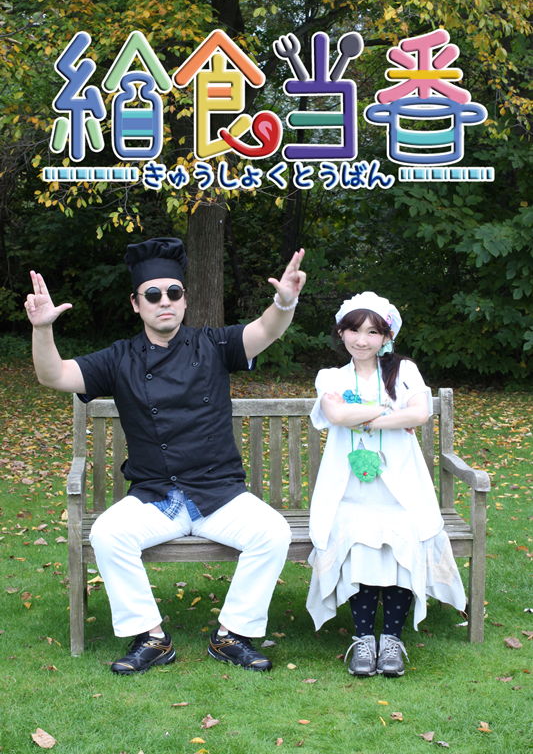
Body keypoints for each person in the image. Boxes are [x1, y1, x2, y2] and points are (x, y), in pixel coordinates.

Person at [25, 237, 306, 674]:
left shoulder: (214, 344)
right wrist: (43, 329)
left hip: (217, 493)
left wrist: (284, 303)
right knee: (107, 533)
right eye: (152, 295)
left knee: (272, 532)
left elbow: (265, 330)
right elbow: (54, 375)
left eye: (174, 292)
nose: (165, 302)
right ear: (136, 304)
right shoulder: (118, 358)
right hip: (158, 497)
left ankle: (232, 634)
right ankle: (152, 638)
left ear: (184, 299)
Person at [306, 292, 466, 678]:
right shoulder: (331, 377)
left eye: (372, 332)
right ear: (341, 332)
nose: (362, 340)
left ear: (386, 336)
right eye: (354, 330)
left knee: (404, 536)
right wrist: (391, 410)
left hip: (401, 490)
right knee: (357, 538)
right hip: (348, 492)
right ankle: (364, 640)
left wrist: (361, 416)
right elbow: (335, 414)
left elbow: (421, 412)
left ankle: (391, 639)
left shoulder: (404, 370)